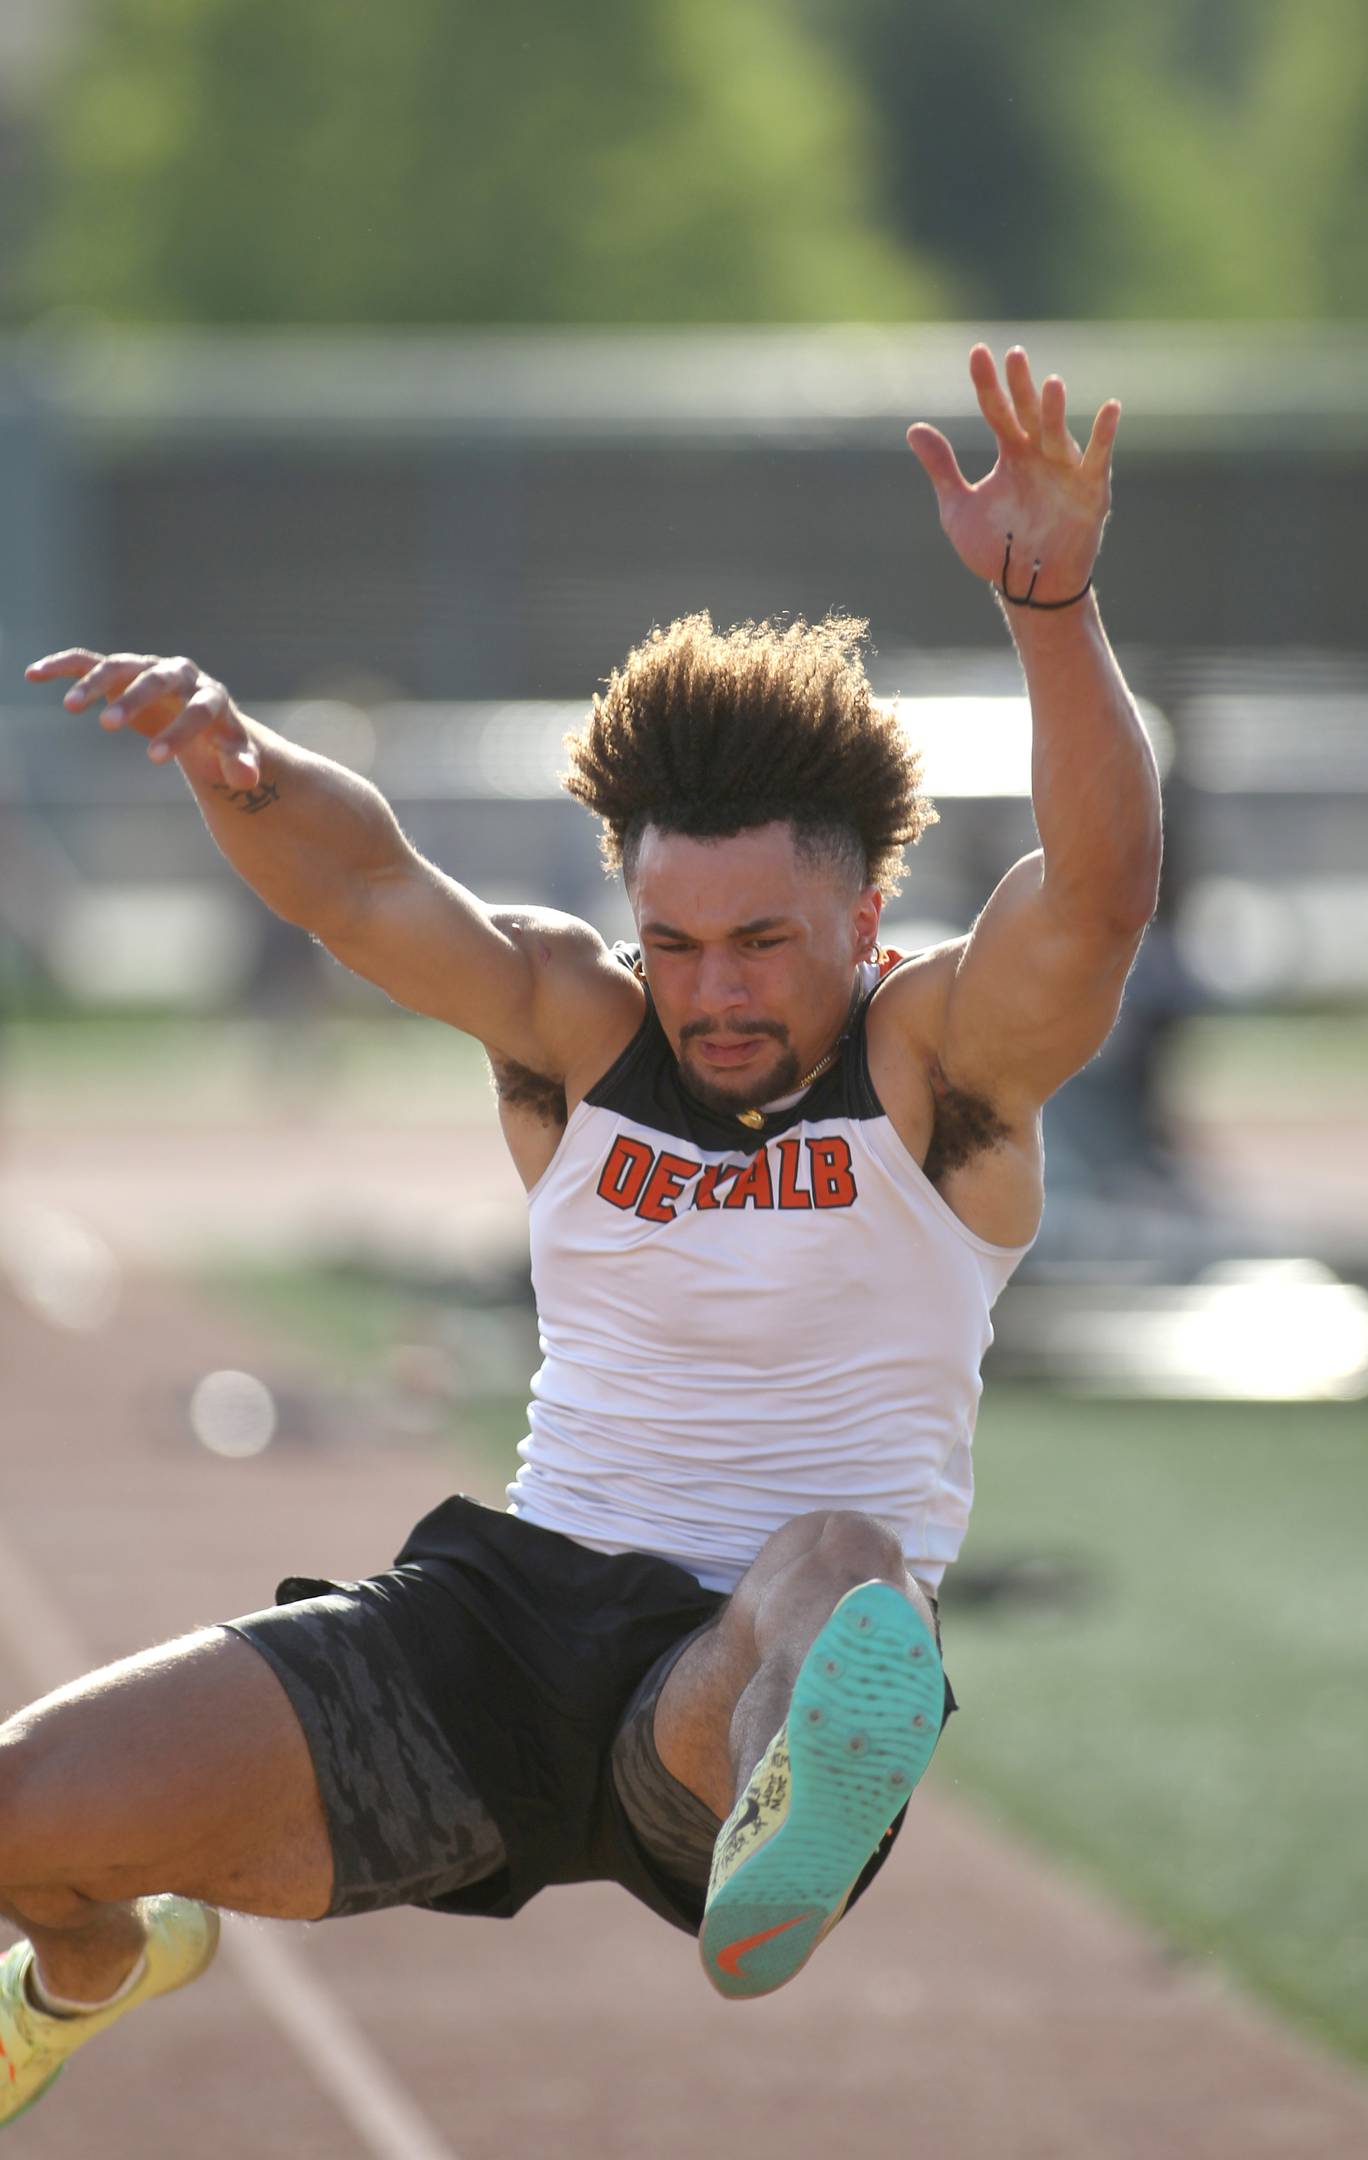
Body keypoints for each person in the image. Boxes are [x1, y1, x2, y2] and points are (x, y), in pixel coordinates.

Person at [2, 344, 1159, 2122]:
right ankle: (89, 1971)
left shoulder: (937, 1064)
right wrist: (233, 754)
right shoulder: (577, 1027)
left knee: (833, 1569)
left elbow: (1092, 902)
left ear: (867, 912)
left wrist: (1056, 604)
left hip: (722, 1689)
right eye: (676, 939)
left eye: (765, 940)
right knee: (26, 1813)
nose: (713, 990)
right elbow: (373, 884)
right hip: (491, 1631)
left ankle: (805, 1787)